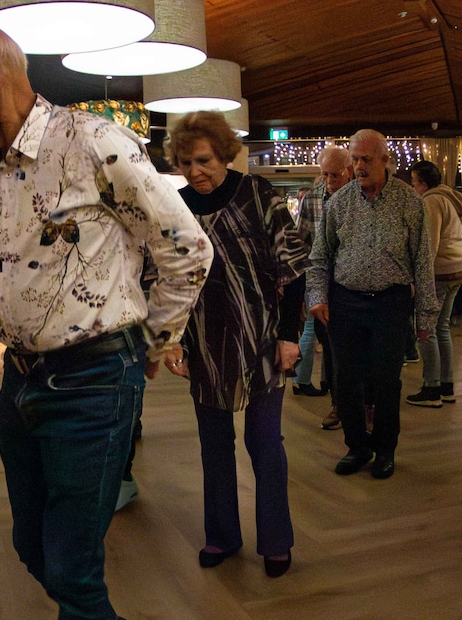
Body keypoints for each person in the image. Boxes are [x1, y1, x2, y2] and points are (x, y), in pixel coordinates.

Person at [0, 24, 212, 620]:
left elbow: (187, 247)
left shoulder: (93, 143)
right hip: (20, 379)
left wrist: (155, 341)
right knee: (31, 546)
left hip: (94, 380)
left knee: (73, 573)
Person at [167, 111, 307, 578]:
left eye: (203, 160)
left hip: (262, 338)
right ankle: (222, 536)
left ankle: (276, 541)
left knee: (264, 441)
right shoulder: (177, 208)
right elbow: (168, 280)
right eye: (185, 163)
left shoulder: (258, 195)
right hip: (203, 341)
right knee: (214, 445)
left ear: (224, 153)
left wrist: (290, 336)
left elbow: (295, 269)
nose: (195, 172)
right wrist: (169, 341)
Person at [307, 128, 438, 480]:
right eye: (355, 159)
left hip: (390, 303)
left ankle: (385, 449)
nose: (359, 165)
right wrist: (317, 297)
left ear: (385, 160)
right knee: (345, 380)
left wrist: (426, 315)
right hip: (345, 303)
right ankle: (357, 446)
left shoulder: (409, 201)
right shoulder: (339, 202)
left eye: (366, 159)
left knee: (385, 381)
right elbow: (319, 257)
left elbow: (422, 262)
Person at [405, 160, 462, 407]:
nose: (412, 187)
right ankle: (446, 385)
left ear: (422, 182)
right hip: (457, 269)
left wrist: (419, 277)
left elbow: (429, 243)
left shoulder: (431, 201)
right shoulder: (450, 198)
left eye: (413, 182)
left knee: (426, 329)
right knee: (442, 329)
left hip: (439, 272)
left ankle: (431, 389)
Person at [293, 147, 348, 416]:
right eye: (324, 175)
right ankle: (338, 403)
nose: (329, 181)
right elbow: (299, 241)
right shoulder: (313, 199)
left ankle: (355, 403)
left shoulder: (358, 199)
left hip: (352, 284)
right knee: (328, 344)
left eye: (334, 175)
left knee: (348, 347)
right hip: (322, 285)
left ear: (348, 171)